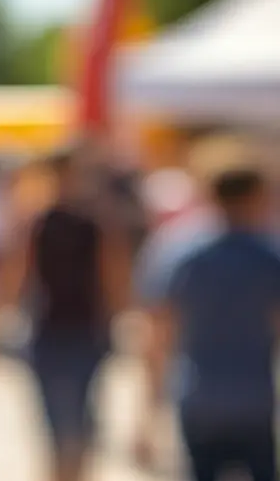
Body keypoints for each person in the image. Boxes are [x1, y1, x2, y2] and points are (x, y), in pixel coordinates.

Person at [0, 147, 133, 481]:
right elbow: (116, 277)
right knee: (81, 416)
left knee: (56, 420)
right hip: (83, 327)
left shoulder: (37, 220)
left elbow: (13, 276)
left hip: (52, 327)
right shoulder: (96, 220)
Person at [140, 166, 280, 481]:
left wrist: (147, 413)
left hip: (197, 396)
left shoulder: (178, 253)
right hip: (255, 399)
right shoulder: (269, 256)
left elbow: (157, 336)